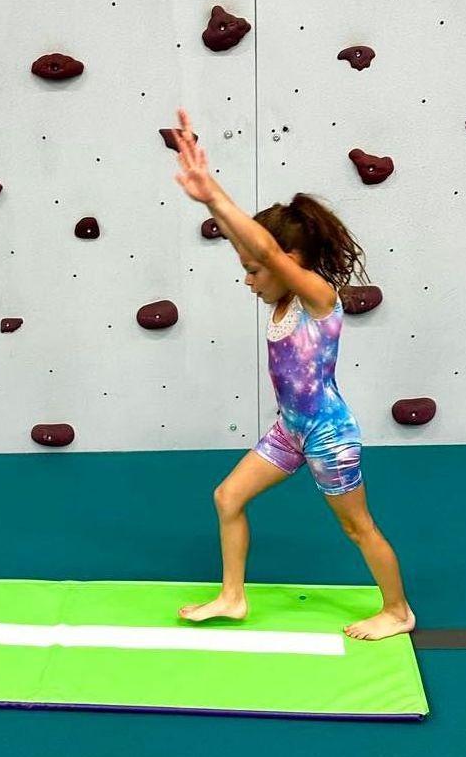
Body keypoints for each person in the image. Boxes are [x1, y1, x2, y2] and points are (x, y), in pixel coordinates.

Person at [171, 107, 415, 641]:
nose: (249, 280)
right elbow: (252, 247)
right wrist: (208, 197)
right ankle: (232, 598)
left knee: (357, 527)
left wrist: (212, 193)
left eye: (256, 271)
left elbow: (262, 251)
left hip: (328, 435)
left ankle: (397, 611)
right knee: (227, 498)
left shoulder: (318, 299)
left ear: (291, 261)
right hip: (291, 430)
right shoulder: (282, 301)